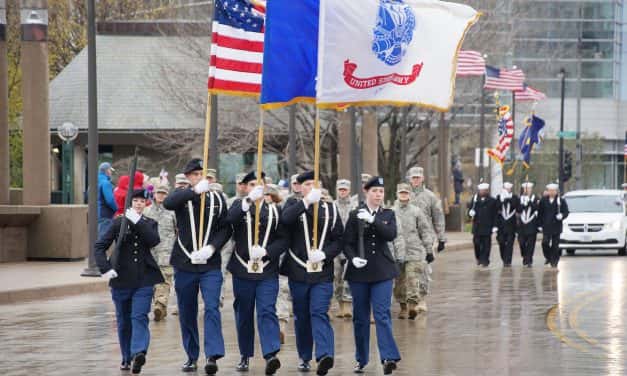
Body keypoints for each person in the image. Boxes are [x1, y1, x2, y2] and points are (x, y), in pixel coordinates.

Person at [163, 158, 232, 375]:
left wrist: (212, 248)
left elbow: (226, 229)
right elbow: (168, 203)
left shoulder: (218, 199)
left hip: (210, 264)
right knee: (187, 311)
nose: (199, 177)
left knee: (211, 307)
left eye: (203, 174)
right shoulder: (182, 196)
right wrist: (193, 191)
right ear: (188, 177)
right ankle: (191, 356)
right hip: (184, 263)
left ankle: (212, 355)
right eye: (195, 174)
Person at [281, 171, 343, 375]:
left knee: (319, 312)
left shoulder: (331, 209)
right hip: (298, 271)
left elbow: (339, 240)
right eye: (307, 184)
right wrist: (306, 202)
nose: (311, 187)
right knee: (302, 316)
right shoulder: (293, 205)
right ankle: (305, 357)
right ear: (301, 187)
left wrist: (325, 255)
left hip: (322, 272)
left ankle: (325, 355)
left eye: (314, 184)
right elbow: (286, 220)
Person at [94, 189, 163, 374]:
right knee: (124, 321)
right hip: (121, 279)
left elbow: (153, 240)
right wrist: (105, 268)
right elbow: (100, 246)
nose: (139, 204)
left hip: (144, 279)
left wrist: (137, 221)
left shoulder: (149, 223)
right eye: (135, 201)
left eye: (142, 201)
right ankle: (126, 357)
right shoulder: (118, 223)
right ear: (129, 203)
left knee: (139, 317)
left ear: (146, 204)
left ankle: (138, 352)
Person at [226, 172, 287, 374]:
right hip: (243, 269)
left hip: (267, 269)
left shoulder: (275, 211)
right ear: (246, 187)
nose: (256, 187)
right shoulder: (239, 205)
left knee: (267, 310)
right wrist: (248, 200)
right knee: (244, 313)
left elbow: (283, 239)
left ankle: (270, 354)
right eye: (252, 184)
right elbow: (230, 221)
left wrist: (267, 251)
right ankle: (245, 354)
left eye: (259, 184)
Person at [343, 176, 400, 375]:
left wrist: (373, 220)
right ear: (366, 192)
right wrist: (352, 259)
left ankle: (388, 357)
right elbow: (347, 243)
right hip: (359, 273)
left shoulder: (388, 214)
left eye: (381, 192)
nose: (378, 195)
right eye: (375, 191)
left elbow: (391, 234)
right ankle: (361, 359)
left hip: (382, 271)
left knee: (382, 314)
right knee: (360, 318)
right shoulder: (354, 214)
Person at [392, 183, 436, 318]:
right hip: (397, 252)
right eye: (401, 193)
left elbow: (425, 231)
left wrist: (429, 250)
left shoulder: (416, 212)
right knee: (399, 282)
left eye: (406, 193)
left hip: (414, 251)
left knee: (412, 279)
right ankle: (403, 306)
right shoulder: (391, 212)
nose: (403, 195)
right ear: (397, 194)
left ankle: (412, 306)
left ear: (410, 194)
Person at [143, 184, 177, 321]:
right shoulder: (146, 211)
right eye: (159, 193)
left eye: (163, 193)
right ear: (154, 194)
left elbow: (178, 231)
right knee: (151, 282)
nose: (161, 196)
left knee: (164, 280)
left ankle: (160, 305)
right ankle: (159, 307)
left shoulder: (173, 212)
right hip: (150, 253)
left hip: (167, 252)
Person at [407, 166, 446, 253]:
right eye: (414, 177)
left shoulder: (431, 196)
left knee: (425, 264)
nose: (416, 180)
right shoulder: (404, 195)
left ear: (422, 178)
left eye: (418, 177)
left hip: (426, 237)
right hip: (408, 237)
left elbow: (438, 218)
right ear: (410, 179)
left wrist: (441, 238)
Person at [333, 179, 355, 318]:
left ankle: (346, 305)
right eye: (340, 189)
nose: (342, 191)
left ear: (349, 190)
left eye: (345, 189)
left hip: (349, 246)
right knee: (334, 276)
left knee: (348, 276)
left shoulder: (355, 206)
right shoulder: (331, 206)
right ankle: (336, 305)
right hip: (334, 246)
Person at [538, 183, 569, 269]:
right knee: (545, 243)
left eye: (553, 191)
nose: (551, 192)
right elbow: (540, 213)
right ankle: (548, 257)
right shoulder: (543, 200)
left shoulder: (561, 201)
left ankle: (554, 261)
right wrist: (539, 224)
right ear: (547, 191)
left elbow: (566, 212)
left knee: (555, 245)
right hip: (546, 226)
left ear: (556, 191)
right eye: (550, 191)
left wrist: (562, 216)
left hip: (556, 226)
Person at [467, 182, 498, 267]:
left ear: (487, 191)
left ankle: (485, 260)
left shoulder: (492, 201)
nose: (482, 192)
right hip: (477, 226)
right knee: (476, 243)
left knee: (486, 245)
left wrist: (495, 225)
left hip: (487, 226)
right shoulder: (475, 199)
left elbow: (495, 214)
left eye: (484, 190)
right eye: (481, 190)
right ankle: (478, 257)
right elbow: (470, 210)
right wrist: (470, 213)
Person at [495, 182, 520, 267]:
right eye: (505, 188)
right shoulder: (499, 197)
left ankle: (508, 261)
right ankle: (503, 257)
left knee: (510, 243)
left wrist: (509, 200)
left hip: (511, 225)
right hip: (501, 225)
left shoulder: (514, 197)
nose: (507, 190)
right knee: (501, 242)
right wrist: (502, 201)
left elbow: (517, 207)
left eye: (508, 188)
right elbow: (496, 208)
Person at [517, 182, 539, 267]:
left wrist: (529, 202)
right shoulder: (520, 199)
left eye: (529, 189)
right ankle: (524, 255)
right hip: (522, 225)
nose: (527, 190)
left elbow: (537, 208)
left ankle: (528, 260)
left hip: (531, 224)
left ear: (531, 190)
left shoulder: (535, 198)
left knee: (531, 244)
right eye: (526, 189)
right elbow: (518, 210)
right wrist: (522, 205)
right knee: (521, 242)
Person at [98, 162, 118, 235]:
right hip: (105, 215)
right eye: (110, 171)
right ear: (107, 171)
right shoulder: (106, 183)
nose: (111, 173)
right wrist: (116, 208)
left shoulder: (94, 181)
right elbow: (110, 200)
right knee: (103, 240)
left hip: (94, 214)